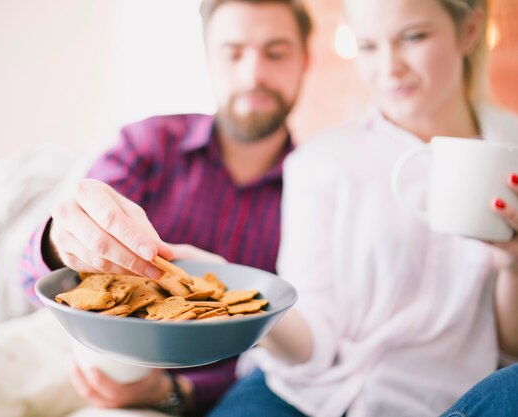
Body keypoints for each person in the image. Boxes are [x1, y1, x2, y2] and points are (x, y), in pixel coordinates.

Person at [0, 1, 311, 416]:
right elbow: (31, 277)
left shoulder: (318, 192)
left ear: (305, 60)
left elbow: (291, 349)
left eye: (275, 53)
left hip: (173, 393)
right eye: (233, 52)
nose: (253, 73)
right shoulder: (149, 143)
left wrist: (173, 390)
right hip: (66, 342)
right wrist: (62, 240)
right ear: (207, 57)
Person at [206, 0, 518, 416]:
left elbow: (510, 347)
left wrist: (513, 263)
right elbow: (314, 334)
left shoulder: (509, 150)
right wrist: (236, 296)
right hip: (299, 394)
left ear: (470, 30)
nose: (389, 68)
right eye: (368, 46)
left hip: (444, 402)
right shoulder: (321, 162)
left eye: (413, 37)